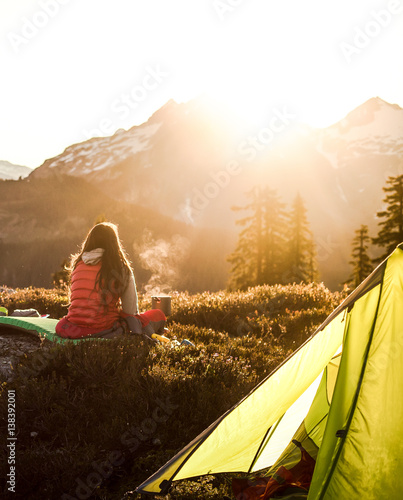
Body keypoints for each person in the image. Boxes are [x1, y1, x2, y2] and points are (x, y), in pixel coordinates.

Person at [55, 222, 166, 339]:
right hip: (104, 328)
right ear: (114, 243)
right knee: (158, 314)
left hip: (75, 326)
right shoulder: (120, 267)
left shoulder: (78, 264)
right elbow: (130, 311)